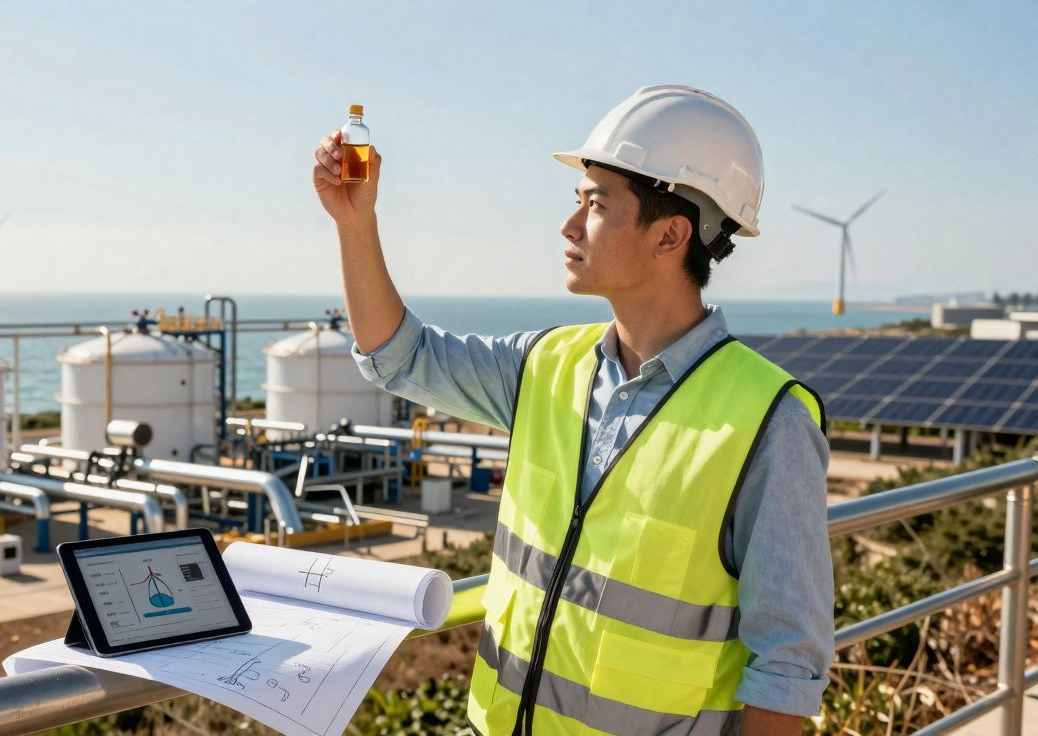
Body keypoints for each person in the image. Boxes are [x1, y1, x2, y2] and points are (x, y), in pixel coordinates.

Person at [311, 85, 833, 736]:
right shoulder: (545, 365)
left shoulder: (769, 422)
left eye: (594, 205)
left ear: (670, 234)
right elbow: (401, 356)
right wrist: (355, 224)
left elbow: (787, 666)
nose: (568, 226)